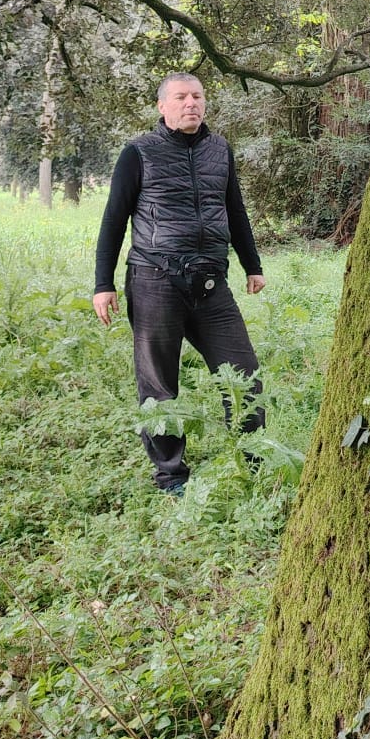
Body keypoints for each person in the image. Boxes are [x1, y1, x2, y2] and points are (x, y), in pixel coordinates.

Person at [93, 73, 267, 493]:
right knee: (158, 385)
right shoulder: (138, 153)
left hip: (211, 283)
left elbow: (235, 210)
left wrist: (252, 265)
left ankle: (254, 463)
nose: (191, 103)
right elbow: (114, 219)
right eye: (181, 97)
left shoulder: (219, 150)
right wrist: (103, 283)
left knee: (244, 373)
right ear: (162, 106)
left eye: (197, 96)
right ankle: (171, 476)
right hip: (155, 280)